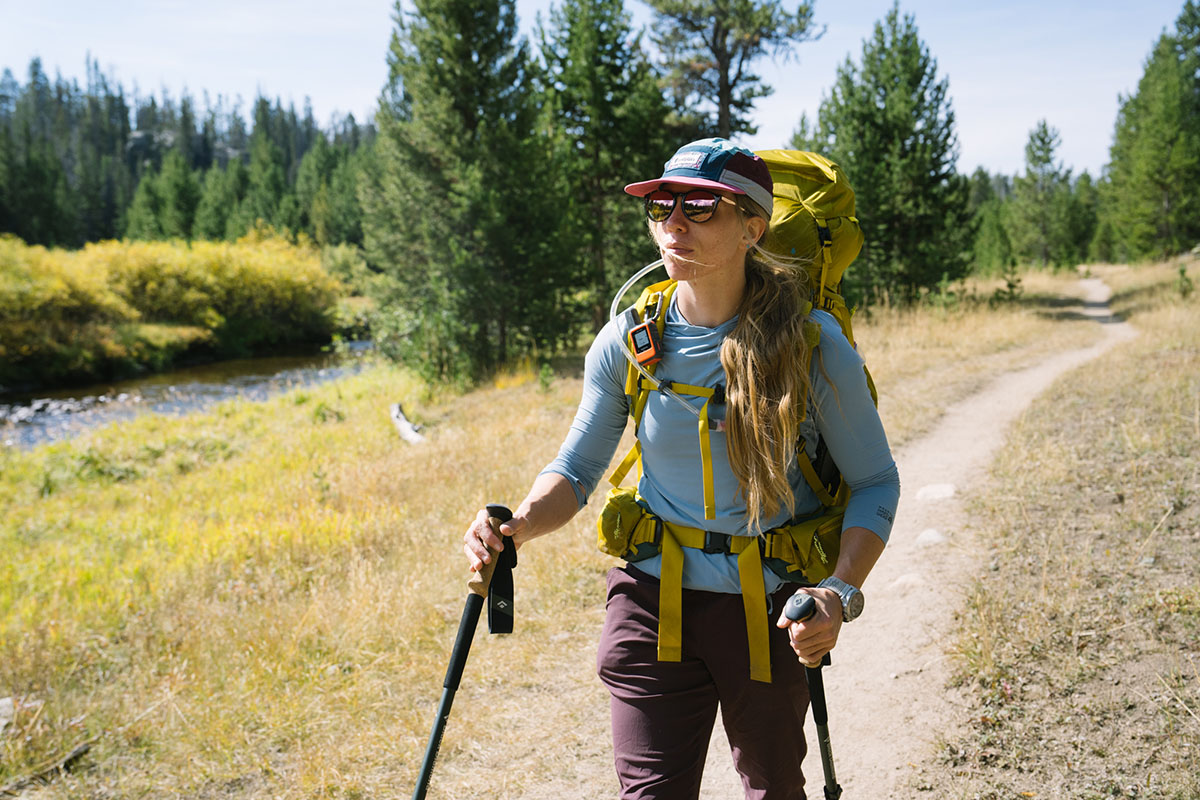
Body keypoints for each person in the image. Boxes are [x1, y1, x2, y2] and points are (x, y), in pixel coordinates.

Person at [463, 138, 899, 800]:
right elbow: (576, 470)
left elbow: (875, 483)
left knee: (773, 789)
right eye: (661, 205)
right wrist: (516, 525)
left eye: (701, 206)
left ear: (753, 226)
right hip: (649, 601)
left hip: (770, 608)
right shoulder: (631, 341)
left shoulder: (812, 347)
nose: (674, 222)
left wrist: (839, 590)